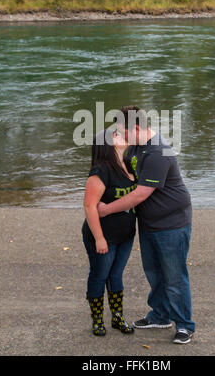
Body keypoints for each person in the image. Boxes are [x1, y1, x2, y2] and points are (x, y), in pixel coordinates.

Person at [97, 105, 195, 344]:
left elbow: (140, 194)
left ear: (137, 128)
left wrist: (107, 209)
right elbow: (126, 173)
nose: (120, 135)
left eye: (122, 131)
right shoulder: (137, 146)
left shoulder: (158, 152)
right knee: (154, 273)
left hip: (172, 224)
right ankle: (160, 315)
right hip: (150, 223)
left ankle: (184, 325)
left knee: (174, 276)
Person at [82, 127, 136, 336]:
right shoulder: (101, 170)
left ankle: (117, 317)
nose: (122, 135)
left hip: (126, 235)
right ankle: (97, 319)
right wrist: (99, 238)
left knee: (116, 275)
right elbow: (89, 206)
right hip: (103, 236)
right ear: (108, 144)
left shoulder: (129, 164)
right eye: (116, 134)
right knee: (99, 275)